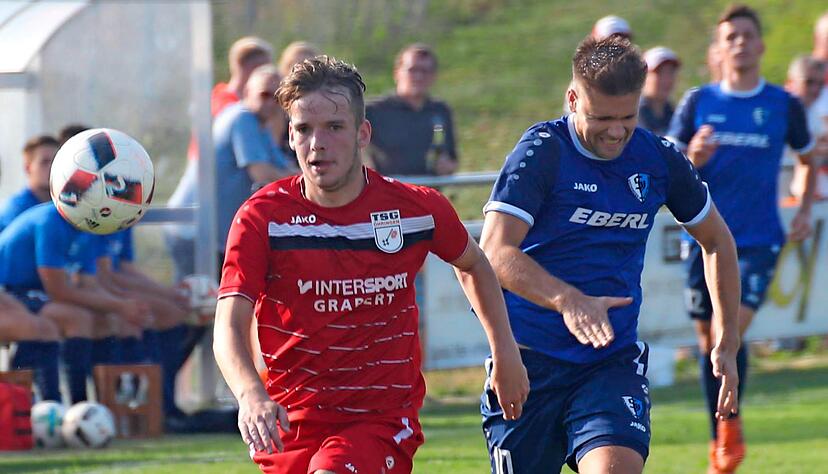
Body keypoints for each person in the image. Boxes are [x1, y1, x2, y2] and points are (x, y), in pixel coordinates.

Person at [212, 56, 528, 474]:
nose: (317, 143)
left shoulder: (415, 209)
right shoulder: (263, 217)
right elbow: (228, 323)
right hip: (290, 422)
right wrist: (250, 393)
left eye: (334, 127)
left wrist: (504, 350)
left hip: (380, 420)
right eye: (304, 129)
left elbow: (474, 264)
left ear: (363, 133)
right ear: (289, 135)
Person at [479, 35, 740, 474]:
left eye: (627, 117)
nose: (617, 131)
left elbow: (717, 241)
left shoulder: (658, 159)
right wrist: (568, 300)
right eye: (602, 118)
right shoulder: (544, 151)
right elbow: (495, 251)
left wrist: (727, 341)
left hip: (609, 363)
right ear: (572, 99)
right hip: (528, 362)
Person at [667, 5, 817, 472]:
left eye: (747, 35)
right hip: (701, 240)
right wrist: (693, 157)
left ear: (761, 45)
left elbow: (808, 157)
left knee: (725, 332)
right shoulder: (697, 102)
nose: (739, 43)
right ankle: (720, 436)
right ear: (719, 48)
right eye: (730, 36)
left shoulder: (782, 104)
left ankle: (728, 432)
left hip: (756, 241)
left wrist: (804, 208)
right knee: (708, 340)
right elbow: (670, 163)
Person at [0, 203, 149, 403]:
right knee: (76, 319)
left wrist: (123, 305)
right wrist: (119, 305)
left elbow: (90, 284)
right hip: (11, 290)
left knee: (107, 319)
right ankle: (64, 403)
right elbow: (58, 290)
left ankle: (106, 405)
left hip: (37, 292)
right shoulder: (51, 221)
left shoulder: (87, 225)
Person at [365, 43, 458, 176]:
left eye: (425, 71)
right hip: (388, 187)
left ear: (434, 76)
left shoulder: (440, 111)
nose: (418, 77)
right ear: (397, 73)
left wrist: (447, 166)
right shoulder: (373, 111)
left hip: (427, 188)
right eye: (412, 70)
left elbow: (452, 158)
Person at [786, 56, 828, 199]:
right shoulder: (781, 111)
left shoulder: (813, 113)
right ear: (791, 82)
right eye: (809, 82)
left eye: (820, 84)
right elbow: (804, 151)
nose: (815, 89)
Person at [0, 135, 59, 233]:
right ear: (28, 168)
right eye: (44, 162)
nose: (52, 167)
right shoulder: (15, 211)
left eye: (56, 161)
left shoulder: (68, 206)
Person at [638, 47, 681, 136]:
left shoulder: (676, 114)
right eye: (659, 73)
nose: (666, 80)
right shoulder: (631, 114)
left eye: (671, 72)